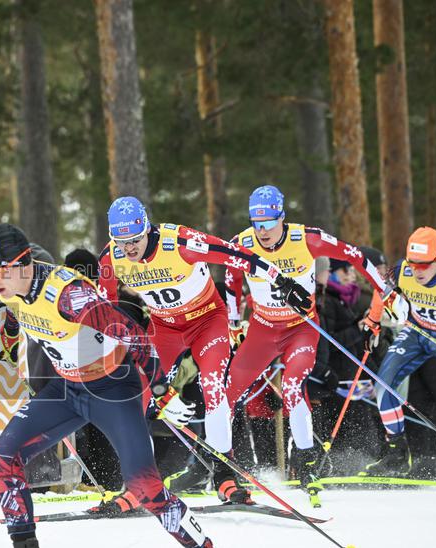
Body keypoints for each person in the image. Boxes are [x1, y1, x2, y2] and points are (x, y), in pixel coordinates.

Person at [0, 223, 242, 548]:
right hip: (67, 389)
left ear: (23, 264)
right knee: (2, 456)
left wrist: (161, 390)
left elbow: (134, 336)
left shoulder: (71, 296)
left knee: (144, 487)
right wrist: (10, 339)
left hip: (113, 389)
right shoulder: (11, 288)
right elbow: (18, 315)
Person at [97, 195, 304, 506]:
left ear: (147, 229)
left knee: (212, 386)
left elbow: (237, 255)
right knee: (135, 395)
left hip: (207, 321)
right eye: (121, 241)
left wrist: (281, 280)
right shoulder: (110, 258)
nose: (128, 249)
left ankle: (224, 477)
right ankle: (140, 484)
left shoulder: (181, 243)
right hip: (164, 328)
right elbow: (107, 309)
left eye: (135, 240)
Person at [224, 185, 390, 505]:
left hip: (301, 328)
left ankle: (306, 460)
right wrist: (233, 321)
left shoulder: (307, 239)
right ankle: (218, 464)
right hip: (262, 328)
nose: (263, 232)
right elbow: (231, 281)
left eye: (269, 224)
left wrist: (384, 294)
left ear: (282, 218)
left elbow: (356, 256)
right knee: (228, 389)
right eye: (257, 224)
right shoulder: (241, 243)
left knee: (293, 384)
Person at [360, 226, 436, 475]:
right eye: (413, 263)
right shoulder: (401, 269)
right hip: (417, 333)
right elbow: (380, 289)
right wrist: (373, 323)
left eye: (424, 265)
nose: (417, 271)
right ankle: (397, 452)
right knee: (384, 385)